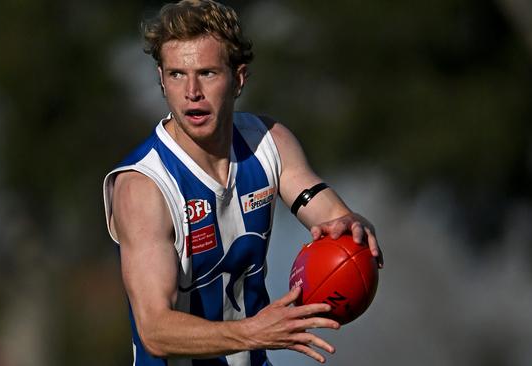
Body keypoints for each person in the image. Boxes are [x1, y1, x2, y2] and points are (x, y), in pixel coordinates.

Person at [102, 1, 383, 365]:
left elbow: (335, 222)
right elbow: (154, 329)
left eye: (207, 73)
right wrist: (253, 331)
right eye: (176, 74)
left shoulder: (269, 143)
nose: (191, 92)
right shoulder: (145, 186)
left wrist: (355, 229)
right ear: (160, 78)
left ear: (239, 78)